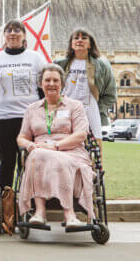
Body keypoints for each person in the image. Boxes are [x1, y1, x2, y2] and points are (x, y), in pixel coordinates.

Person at [16, 64, 94, 229]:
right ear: (41, 83)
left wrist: (56, 146)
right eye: (47, 80)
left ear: (62, 83)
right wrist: (30, 146)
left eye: (55, 80)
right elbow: (21, 137)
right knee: (37, 154)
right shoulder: (32, 109)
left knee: (45, 156)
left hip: (71, 151)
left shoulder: (75, 106)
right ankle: (41, 212)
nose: (51, 84)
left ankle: (68, 213)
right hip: (40, 151)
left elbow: (81, 134)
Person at [0, 20, 46, 189]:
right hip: (3, 118)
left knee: (29, 161)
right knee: (7, 162)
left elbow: (44, 90)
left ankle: (28, 203)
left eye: (17, 30)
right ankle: (5, 204)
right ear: (4, 36)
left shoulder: (35, 58)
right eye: (9, 30)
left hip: (30, 118)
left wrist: (46, 115)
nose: (13, 33)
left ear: (24, 36)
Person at [55, 28, 117, 154]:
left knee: (95, 145)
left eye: (84, 38)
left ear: (90, 44)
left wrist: (97, 108)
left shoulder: (101, 64)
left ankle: (97, 172)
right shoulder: (60, 64)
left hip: (90, 109)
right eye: (76, 38)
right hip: (66, 109)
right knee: (64, 142)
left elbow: (110, 94)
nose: (79, 40)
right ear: (71, 44)